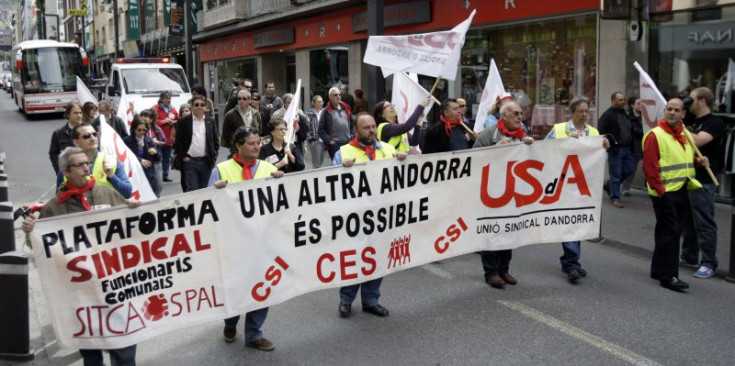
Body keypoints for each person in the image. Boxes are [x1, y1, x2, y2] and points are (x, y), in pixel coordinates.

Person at [22, 147, 140, 366]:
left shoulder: (106, 193)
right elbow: (41, 248)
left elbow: (131, 230)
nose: (87, 167)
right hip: (81, 294)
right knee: (91, 352)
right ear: (65, 171)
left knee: (124, 346)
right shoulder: (54, 208)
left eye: (87, 162)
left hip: (114, 285)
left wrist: (132, 209)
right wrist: (30, 232)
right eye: (80, 164)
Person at [209, 126, 282, 351]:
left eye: (258, 143)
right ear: (238, 146)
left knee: (262, 286)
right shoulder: (221, 170)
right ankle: (230, 321)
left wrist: (282, 182)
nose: (257, 147)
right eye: (251, 144)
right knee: (236, 287)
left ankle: (254, 334)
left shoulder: (269, 168)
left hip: (263, 242)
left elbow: (284, 203)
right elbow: (205, 205)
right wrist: (214, 191)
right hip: (233, 243)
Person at [334, 112, 407, 318]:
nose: (372, 131)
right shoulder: (343, 152)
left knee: (378, 257)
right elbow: (330, 186)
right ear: (356, 130)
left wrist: (403, 162)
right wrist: (341, 170)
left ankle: (371, 300)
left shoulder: (389, 150)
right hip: (355, 218)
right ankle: (346, 299)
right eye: (366, 128)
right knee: (354, 259)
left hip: (382, 218)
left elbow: (400, 181)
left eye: (373, 126)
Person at [643, 98, 707, 292]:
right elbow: (650, 168)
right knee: (672, 232)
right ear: (665, 111)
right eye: (669, 109)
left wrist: (698, 161)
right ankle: (669, 275)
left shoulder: (684, 133)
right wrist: (661, 191)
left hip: (681, 189)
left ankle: (658, 269)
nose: (672, 112)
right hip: (665, 192)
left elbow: (683, 158)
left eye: (676, 110)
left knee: (665, 231)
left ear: (683, 114)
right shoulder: (655, 135)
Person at [545, 96, 610, 283]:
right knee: (570, 222)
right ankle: (572, 264)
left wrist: (604, 149)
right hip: (564, 184)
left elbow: (599, 160)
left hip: (584, 185)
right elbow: (546, 151)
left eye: (586, 111)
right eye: (580, 111)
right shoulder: (559, 130)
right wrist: (564, 143)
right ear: (572, 112)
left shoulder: (594, 132)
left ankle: (569, 261)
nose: (584, 115)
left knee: (578, 222)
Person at [473, 101, 533, 289]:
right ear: (504, 116)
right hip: (492, 192)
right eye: (515, 113)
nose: (519, 117)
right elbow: (473, 157)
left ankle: (504, 269)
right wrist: (496, 148)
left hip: (513, 191)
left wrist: (531, 146)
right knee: (492, 232)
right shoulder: (490, 133)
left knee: (509, 230)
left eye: (521, 114)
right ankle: (491, 272)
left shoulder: (523, 134)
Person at [680, 87, 725, 278]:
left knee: (704, 222)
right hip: (688, 176)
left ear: (702, 101)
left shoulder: (715, 123)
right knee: (688, 221)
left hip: (705, 180)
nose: (688, 104)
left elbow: (697, 141)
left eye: (691, 100)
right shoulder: (690, 120)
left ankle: (709, 262)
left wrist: (678, 128)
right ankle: (689, 255)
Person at [56, 123, 133, 199]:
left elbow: (127, 193)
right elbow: (59, 198)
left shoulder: (112, 161)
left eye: (95, 134)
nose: (92, 138)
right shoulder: (67, 166)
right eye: (86, 136)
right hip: (80, 210)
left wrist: (111, 176)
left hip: (108, 210)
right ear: (76, 142)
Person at [173, 95, 220, 192]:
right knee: (192, 189)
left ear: (206, 108)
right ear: (192, 107)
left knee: (205, 189)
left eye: (202, 105)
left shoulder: (210, 121)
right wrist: (183, 157)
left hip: (206, 161)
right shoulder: (183, 121)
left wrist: (213, 156)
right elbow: (178, 142)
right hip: (190, 161)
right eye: (196, 105)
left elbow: (215, 141)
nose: (199, 107)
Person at [599, 91, 636, 208]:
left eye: (624, 99)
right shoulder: (607, 115)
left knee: (630, 169)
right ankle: (615, 198)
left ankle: (608, 185)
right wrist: (609, 144)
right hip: (616, 149)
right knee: (616, 174)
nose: (623, 102)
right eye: (620, 100)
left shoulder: (624, 113)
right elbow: (601, 131)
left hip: (627, 148)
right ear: (613, 101)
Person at [124, 116, 161, 196]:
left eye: (144, 129)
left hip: (149, 173)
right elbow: (127, 156)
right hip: (135, 174)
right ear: (134, 129)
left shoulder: (149, 140)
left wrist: (155, 152)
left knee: (155, 191)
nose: (142, 132)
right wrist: (140, 160)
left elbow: (158, 157)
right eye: (139, 130)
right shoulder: (127, 141)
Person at [318, 87, 353, 159]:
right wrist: (329, 140)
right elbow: (320, 130)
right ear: (330, 97)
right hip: (335, 144)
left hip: (347, 142)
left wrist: (352, 137)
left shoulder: (346, 108)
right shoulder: (325, 111)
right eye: (335, 95)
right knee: (337, 166)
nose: (338, 96)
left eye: (339, 94)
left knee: (348, 164)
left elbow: (352, 126)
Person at [271, 93, 308, 162]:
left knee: (299, 163)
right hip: (282, 143)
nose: (291, 105)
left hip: (296, 143)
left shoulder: (299, 112)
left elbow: (304, 128)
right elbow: (272, 128)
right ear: (284, 103)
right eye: (288, 103)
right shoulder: (277, 114)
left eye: (293, 103)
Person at [49, 101, 84, 174]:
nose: (79, 115)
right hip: (67, 173)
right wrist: (59, 171)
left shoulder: (88, 131)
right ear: (68, 114)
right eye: (76, 113)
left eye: (80, 113)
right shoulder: (58, 133)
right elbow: (53, 154)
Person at [153, 91, 180, 183]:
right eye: (167, 98)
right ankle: (158, 175)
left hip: (169, 138)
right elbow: (151, 121)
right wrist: (163, 121)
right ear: (162, 99)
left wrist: (173, 122)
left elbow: (179, 120)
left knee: (167, 158)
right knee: (158, 158)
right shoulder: (155, 108)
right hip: (158, 138)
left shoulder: (172, 109)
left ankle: (165, 175)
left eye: (170, 98)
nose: (169, 100)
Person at [139, 109, 166, 194]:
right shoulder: (139, 129)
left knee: (159, 185)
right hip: (145, 161)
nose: (144, 118)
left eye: (146, 116)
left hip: (156, 160)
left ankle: (156, 200)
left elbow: (165, 142)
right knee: (146, 185)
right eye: (142, 116)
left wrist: (157, 142)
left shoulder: (156, 129)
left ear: (151, 119)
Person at [621, 96, 643, 196]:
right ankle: (625, 188)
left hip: (646, 144)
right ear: (632, 105)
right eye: (638, 103)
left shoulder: (646, 117)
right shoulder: (628, 116)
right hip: (634, 145)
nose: (641, 106)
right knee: (631, 168)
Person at [306, 95, 327, 168]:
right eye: (319, 102)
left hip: (324, 140)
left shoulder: (324, 112)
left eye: (322, 101)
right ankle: (316, 176)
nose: (321, 103)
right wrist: (311, 140)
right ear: (314, 103)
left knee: (321, 160)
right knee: (316, 163)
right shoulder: (309, 113)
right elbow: (307, 128)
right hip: (315, 140)